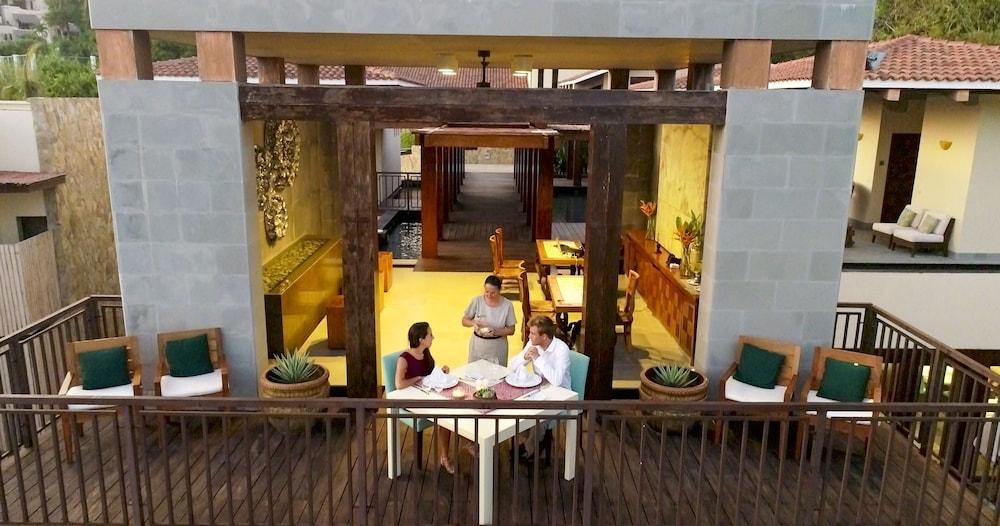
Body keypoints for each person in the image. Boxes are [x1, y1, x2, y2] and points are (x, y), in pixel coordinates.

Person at [395, 322, 457, 473]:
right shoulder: (404, 359)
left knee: (454, 405)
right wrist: (417, 378)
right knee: (446, 414)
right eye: (430, 335)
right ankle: (445, 458)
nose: (433, 337)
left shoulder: (425, 352)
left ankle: (461, 448)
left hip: (427, 396)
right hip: (411, 402)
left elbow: (429, 374)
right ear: (421, 339)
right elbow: (399, 384)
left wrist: (441, 373)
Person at [507, 315, 571, 461]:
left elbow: (557, 381)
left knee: (540, 417)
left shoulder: (561, 350)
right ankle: (533, 441)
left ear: (544, 336)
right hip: (537, 390)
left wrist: (538, 359)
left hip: (560, 394)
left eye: (533, 333)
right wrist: (524, 358)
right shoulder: (533, 343)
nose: (529, 336)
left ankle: (530, 449)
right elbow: (511, 367)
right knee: (515, 405)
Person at [462, 275, 516, 365]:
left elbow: (511, 330)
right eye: (487, 292)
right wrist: (473, 323)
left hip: (497, 348)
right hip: (478, 346)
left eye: (493, 293)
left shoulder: (507, 305)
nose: (489, 295)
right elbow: (464, 321)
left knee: (497, 373)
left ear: (499, 290)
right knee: (475, 372)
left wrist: (495, 332)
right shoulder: (477, 301)